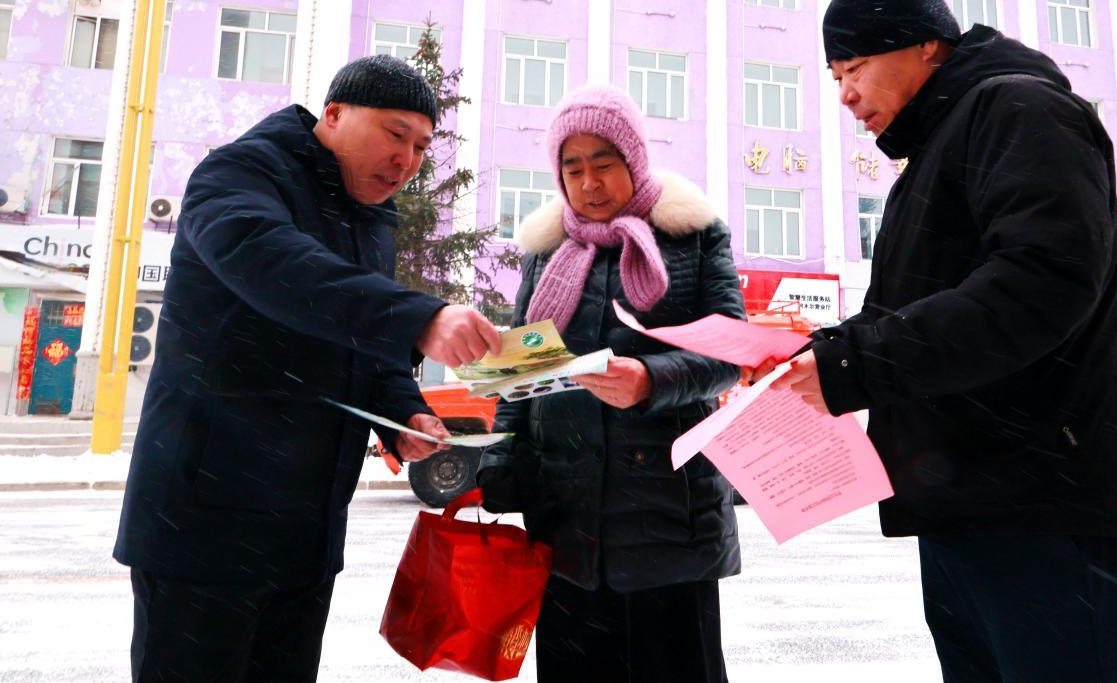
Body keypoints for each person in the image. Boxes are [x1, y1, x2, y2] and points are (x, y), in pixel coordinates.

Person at [761, 0, 1117, 681]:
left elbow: (1040, 282)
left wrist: (857, 364)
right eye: (835, 78)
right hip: (970, 503)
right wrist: (822, 353)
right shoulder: (932, 157)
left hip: (1047, 503)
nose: (846, 94)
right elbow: (908, 311)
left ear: (926, 44)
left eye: (855, 67)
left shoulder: (1021, 110)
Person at [114, 55, 501, 682]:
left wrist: (403, 412)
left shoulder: (367, 221)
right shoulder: (240, 174)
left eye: (421, 147)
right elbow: (273, 265)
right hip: (205, 526)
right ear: (335, 114)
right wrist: (417, 317)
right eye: (395, 133)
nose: (406, 159)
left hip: (304, 536)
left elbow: (357, 347)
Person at [477, 86, 744, 683]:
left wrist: (651, 379)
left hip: (670, 514)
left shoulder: (694, 236)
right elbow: (521, 370)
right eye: (573, 169)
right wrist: (498, 459)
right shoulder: (545, 252)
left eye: (603, 163)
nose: (589, 183)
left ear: (634, 159)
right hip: (565, 516)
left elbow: (731, 351)